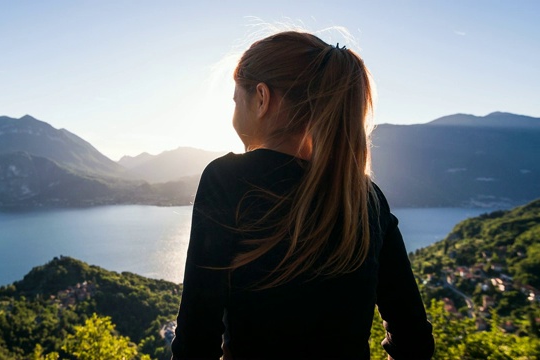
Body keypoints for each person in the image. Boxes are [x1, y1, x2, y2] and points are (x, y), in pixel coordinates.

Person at [171, 31, 434, 359]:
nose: (234, 113)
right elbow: (415, 341)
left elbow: (197, 340)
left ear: (262, 98)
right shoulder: (365, 198)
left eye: (236, 100)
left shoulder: (228, 180)